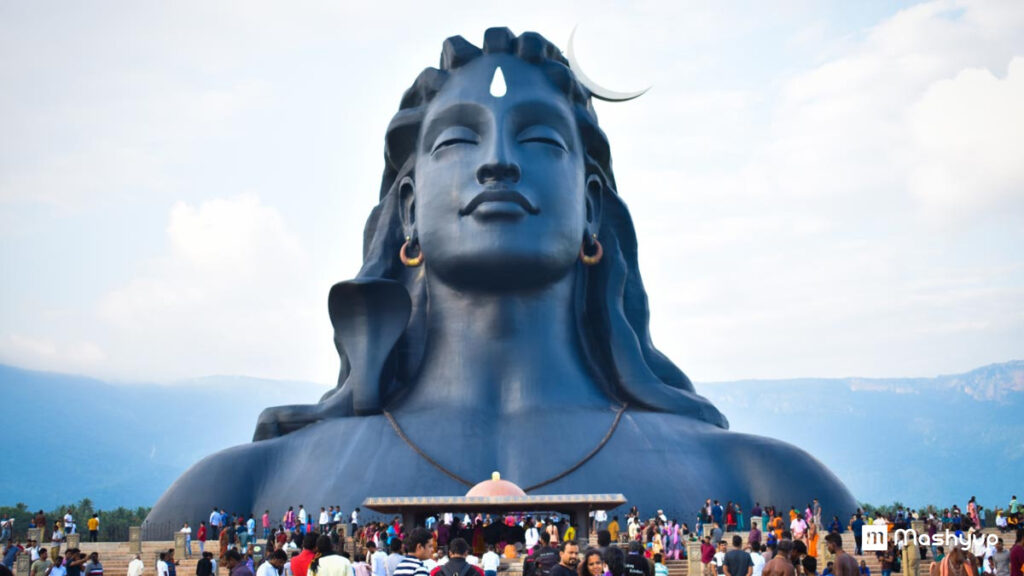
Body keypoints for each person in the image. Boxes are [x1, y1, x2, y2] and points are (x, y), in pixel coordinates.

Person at [147, 27, 856, 527]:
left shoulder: (769, 486)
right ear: (407, 210)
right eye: (458, 137)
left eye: (540, 138)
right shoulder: (239, 487)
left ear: (592, 207)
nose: (497, 163)